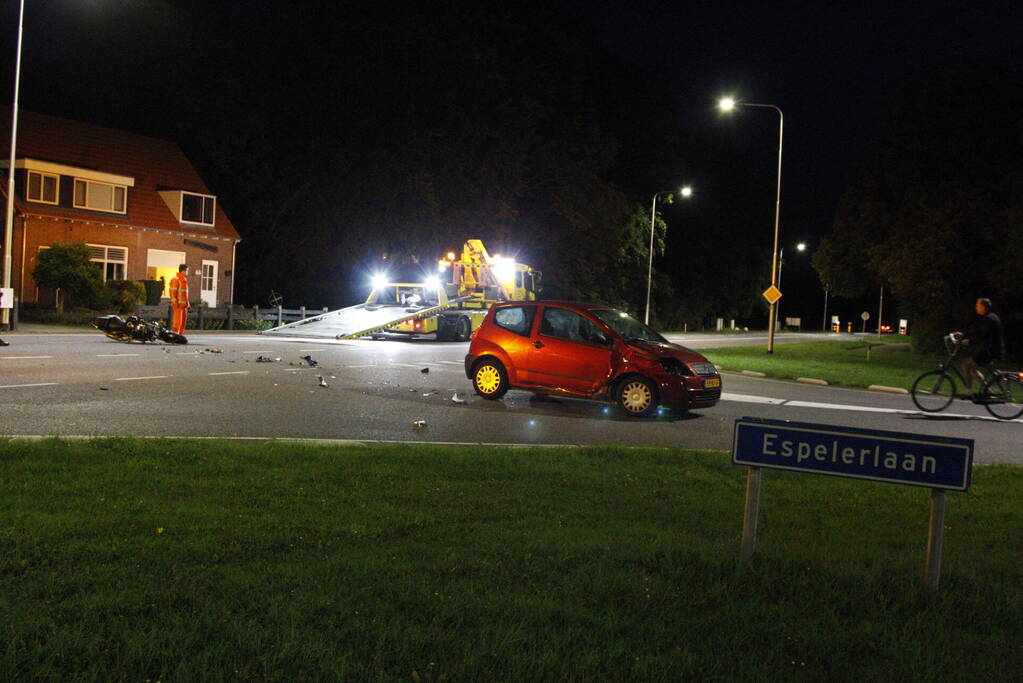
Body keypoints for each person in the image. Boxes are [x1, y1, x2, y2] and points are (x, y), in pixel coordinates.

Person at [959, 297, 1005, 395]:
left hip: (990, 350)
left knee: (967, 364)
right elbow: (977, 331)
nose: (976, 307)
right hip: (990, 349)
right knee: (972, 367)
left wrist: (969, 340)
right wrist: (963, 335)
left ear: (983, 307)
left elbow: (982, 335)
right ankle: (986, 389)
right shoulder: (989, 317)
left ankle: (968, 391)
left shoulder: (989, 319)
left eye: (978, 305)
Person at [168, 264, 190, 335]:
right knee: (177, 322)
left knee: (183, 321)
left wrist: (187, 303)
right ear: (183, 271)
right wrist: (175, 302)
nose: (187, 272)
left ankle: (180, 335)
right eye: (187, 271)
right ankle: (175, 335)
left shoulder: (183, 279)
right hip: (178, 305)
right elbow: (173, 292)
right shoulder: (176, 279)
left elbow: (184, 293)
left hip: (183, 305)